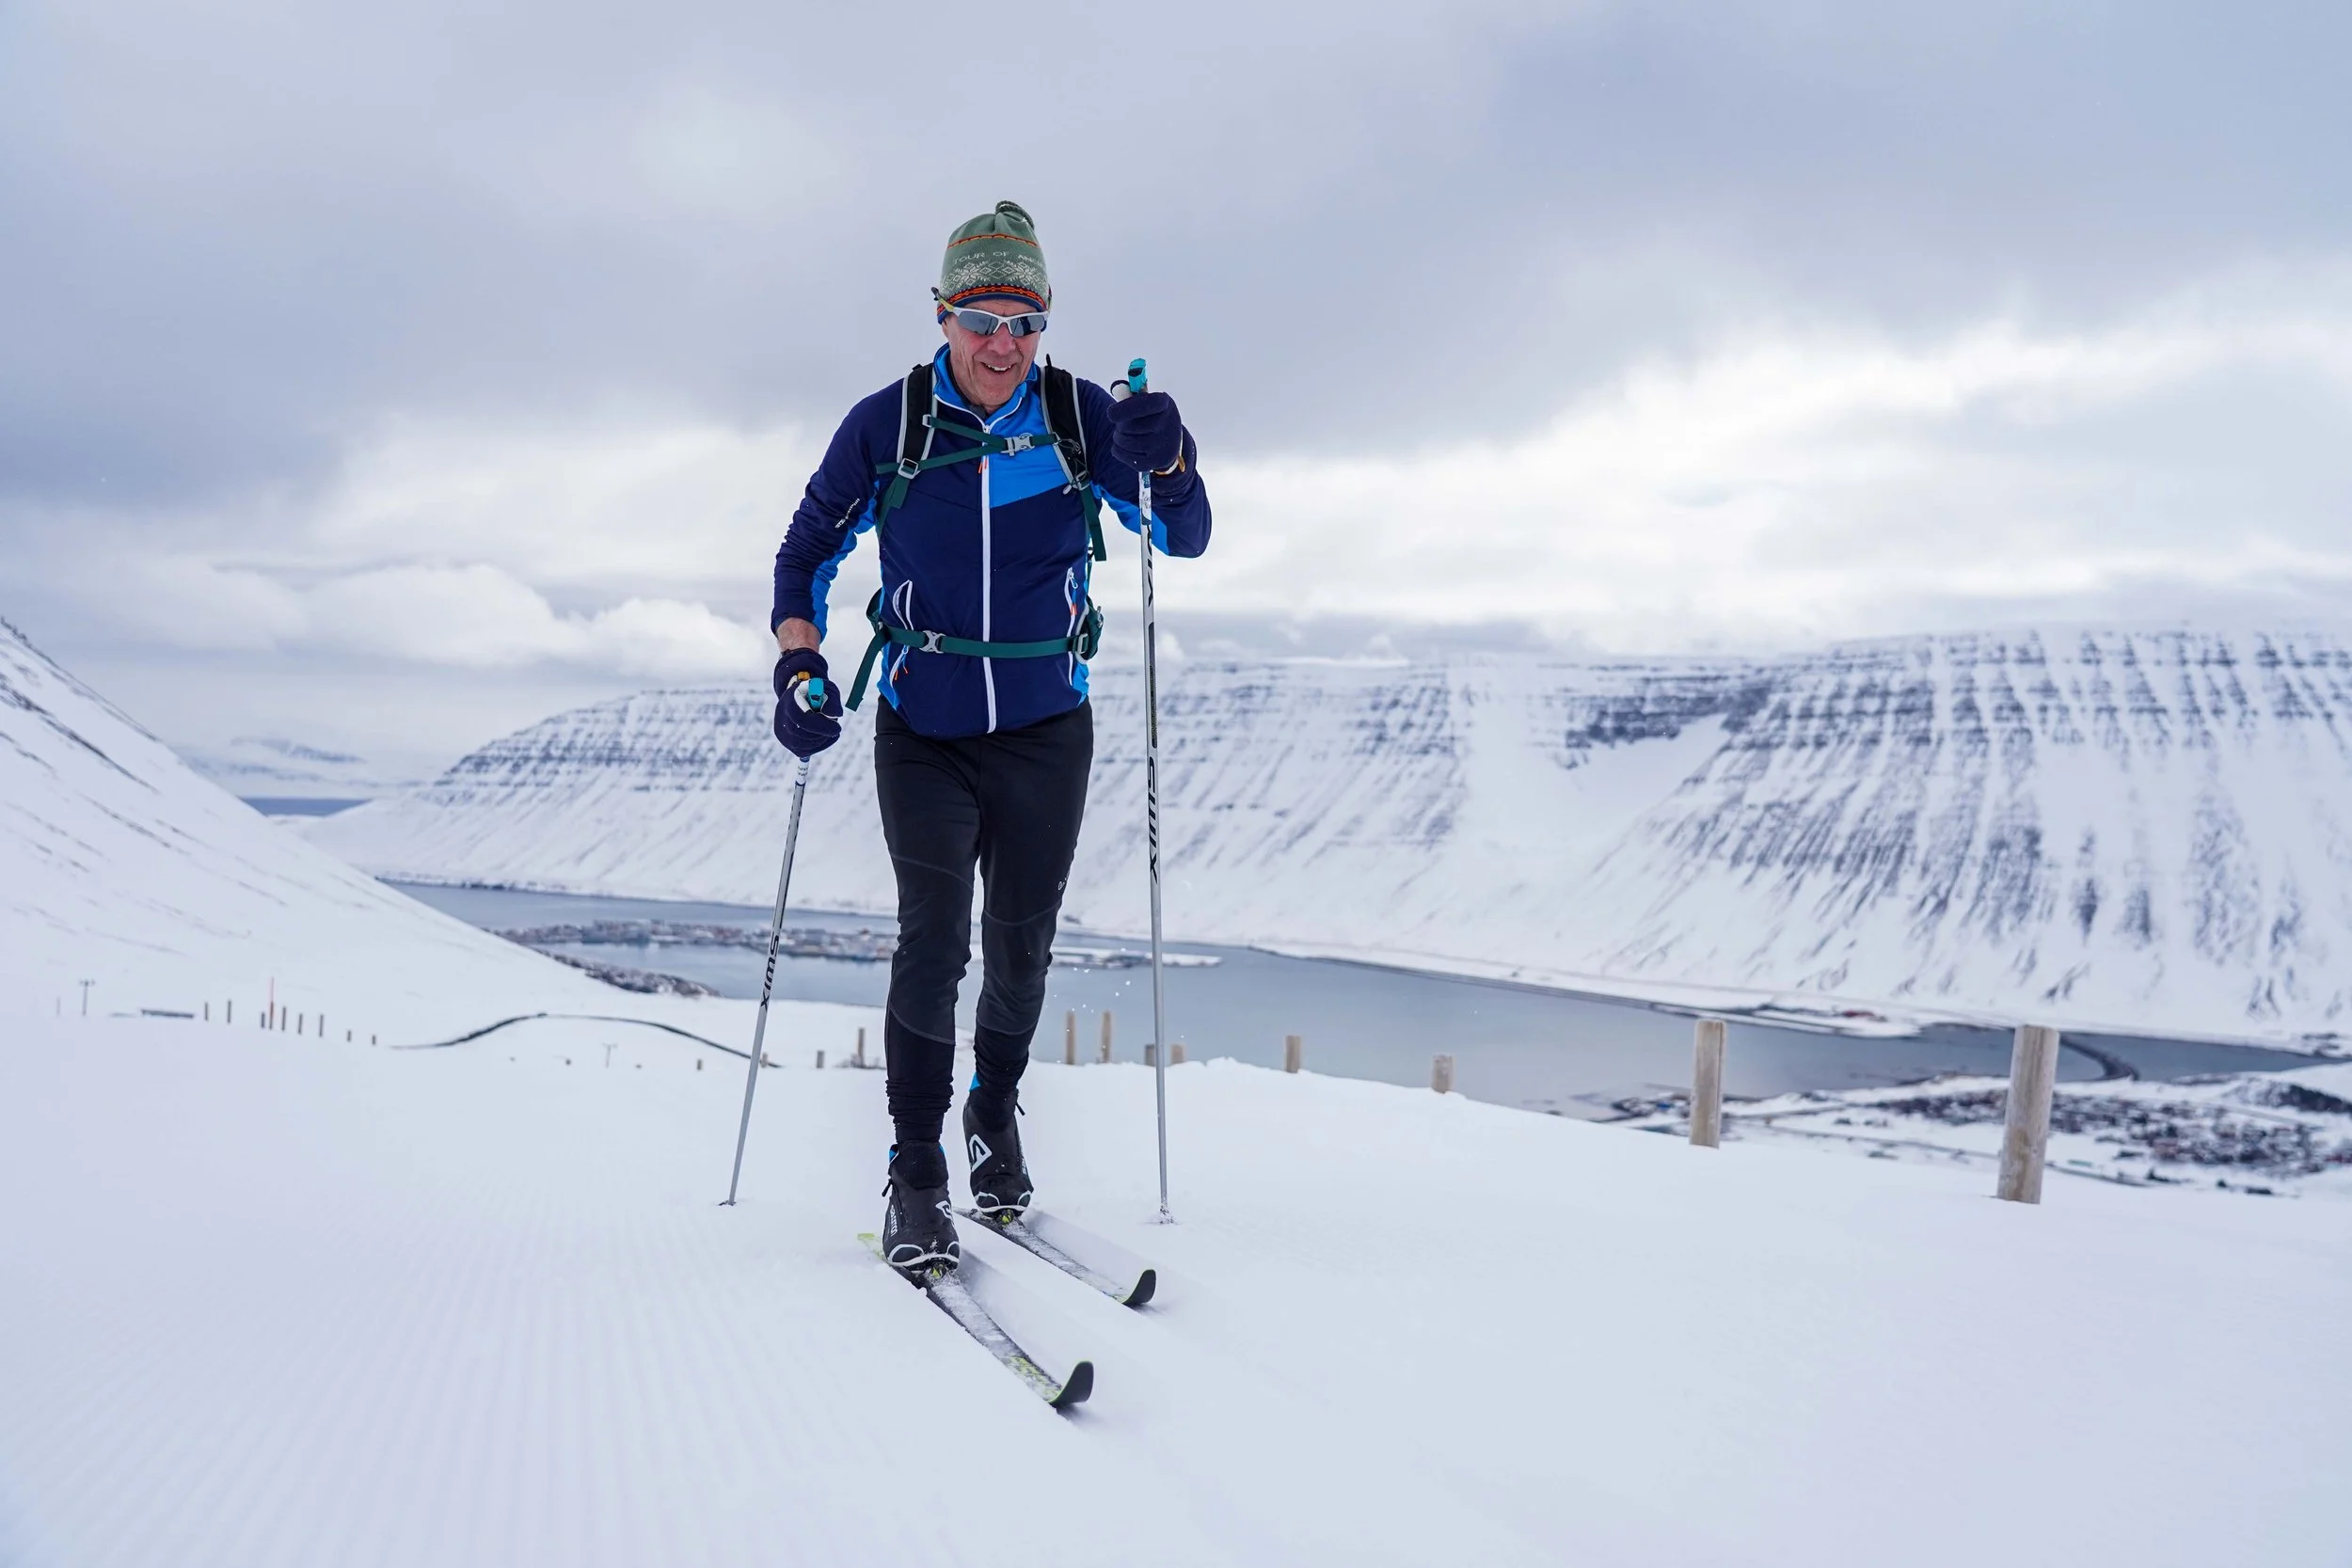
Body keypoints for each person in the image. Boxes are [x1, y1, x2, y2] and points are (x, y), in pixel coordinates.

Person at [768, 200, 1212, 1276]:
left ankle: (991, 1110)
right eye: (981, 317)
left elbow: (1181, 534)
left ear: (1044, 322)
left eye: (1023, 319)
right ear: (941, 314)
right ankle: (915, 1170)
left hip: (1046, 727)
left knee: (1020, 946)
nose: (1002, 343)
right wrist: (797, 661)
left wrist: (1172, 453)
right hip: (922, 723)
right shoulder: (891, 423)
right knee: (934, 942)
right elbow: (807, 548)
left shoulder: (1076, 419)